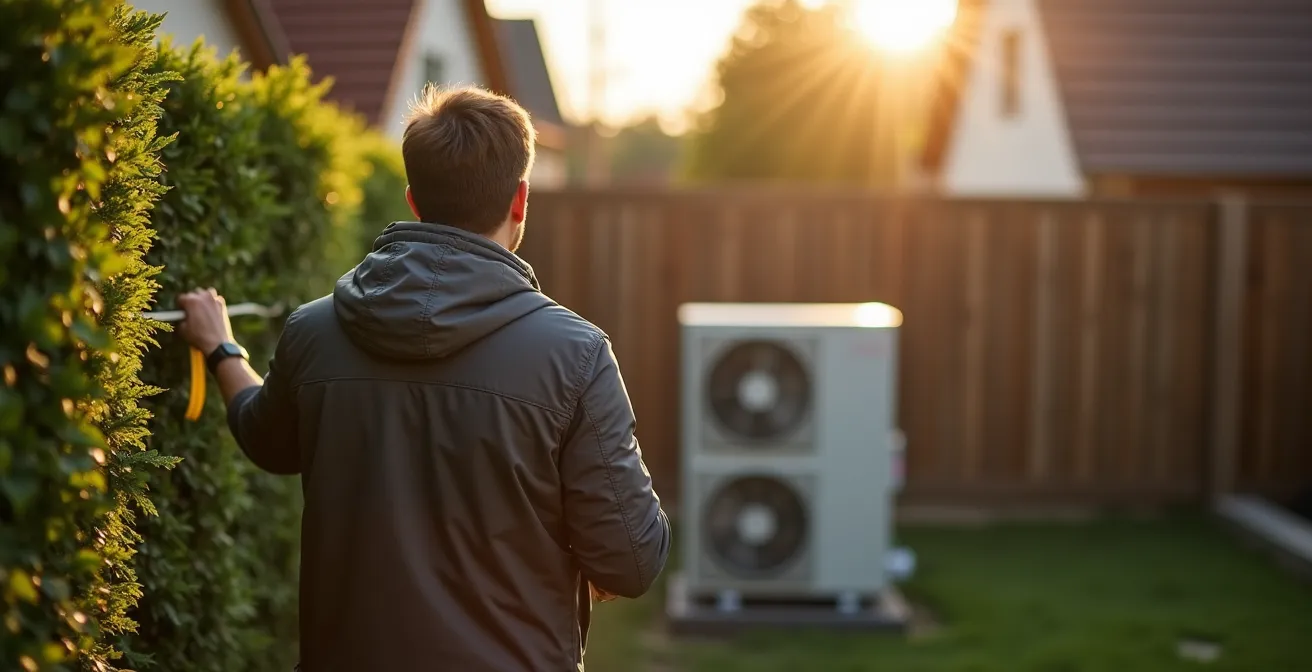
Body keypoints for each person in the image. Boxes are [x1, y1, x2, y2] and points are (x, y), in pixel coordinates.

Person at [175, 85, 671, 672]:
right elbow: (631, 562)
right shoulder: (576, 354)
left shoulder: (313, 332)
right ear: (521, 199)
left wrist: (221, 347)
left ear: (413, 199)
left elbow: (265, 437)